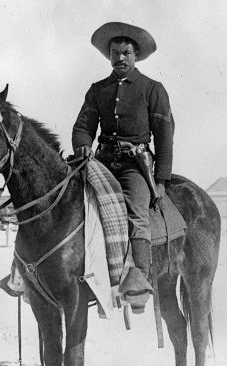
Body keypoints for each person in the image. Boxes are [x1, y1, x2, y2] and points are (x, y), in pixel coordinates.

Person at [72, 22, 174, 313]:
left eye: (126, 52)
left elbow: (165, 135)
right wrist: (82, 145)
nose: (120, 58)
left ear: (136, 55)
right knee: (76, 204)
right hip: (101, 162)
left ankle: (139, 281)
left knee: (136, 214)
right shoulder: (97, 90)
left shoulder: (152, 89)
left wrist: (162, 178)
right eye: (115, 52)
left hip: (134, 166)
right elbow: (83, 126)